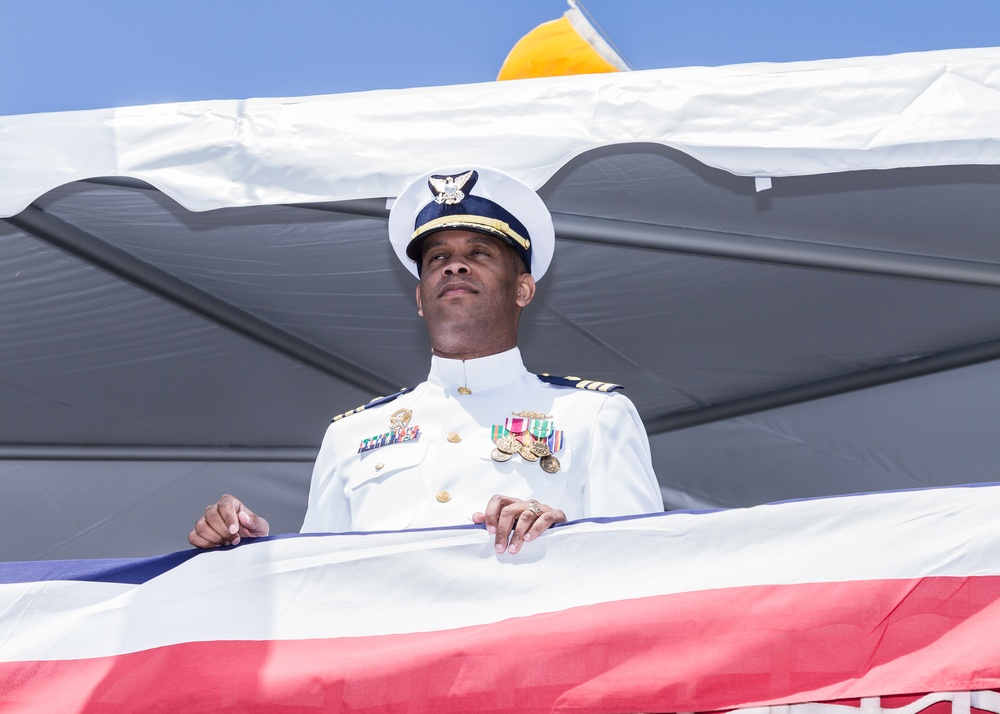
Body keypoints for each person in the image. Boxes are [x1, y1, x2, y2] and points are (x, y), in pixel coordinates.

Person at [189, 166, 663, 554]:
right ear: (420, 297)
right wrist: (249, 551)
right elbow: (322, 585)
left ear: (523, 288)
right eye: (437, 258)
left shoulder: (596, 416)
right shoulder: (349, 436)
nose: (455, 266)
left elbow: (648, 571)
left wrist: (566, 534)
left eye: (479, 252)